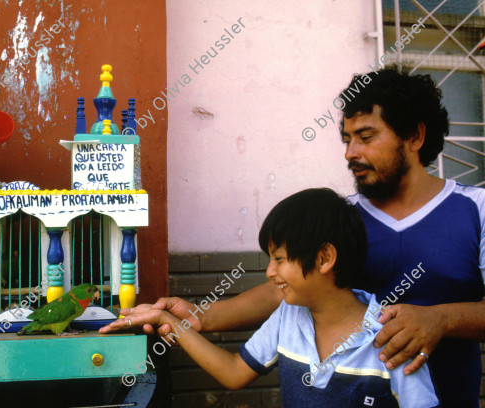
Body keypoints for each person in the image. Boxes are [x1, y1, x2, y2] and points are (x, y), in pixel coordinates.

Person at [101, 68, 485, 407]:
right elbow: (287, 291)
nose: (351, 152)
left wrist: (443, 319)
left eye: (366, 137)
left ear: (415, 136)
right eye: (347, 139)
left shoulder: (476, 210)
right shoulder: (340, 219)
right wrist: (201, 317)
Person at [106, 188, 440, 407]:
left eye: (279, 259)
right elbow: (234, 372)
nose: (269, 272)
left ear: (324, 258)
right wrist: (170, 322)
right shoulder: (288, 316)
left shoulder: (390, 337)